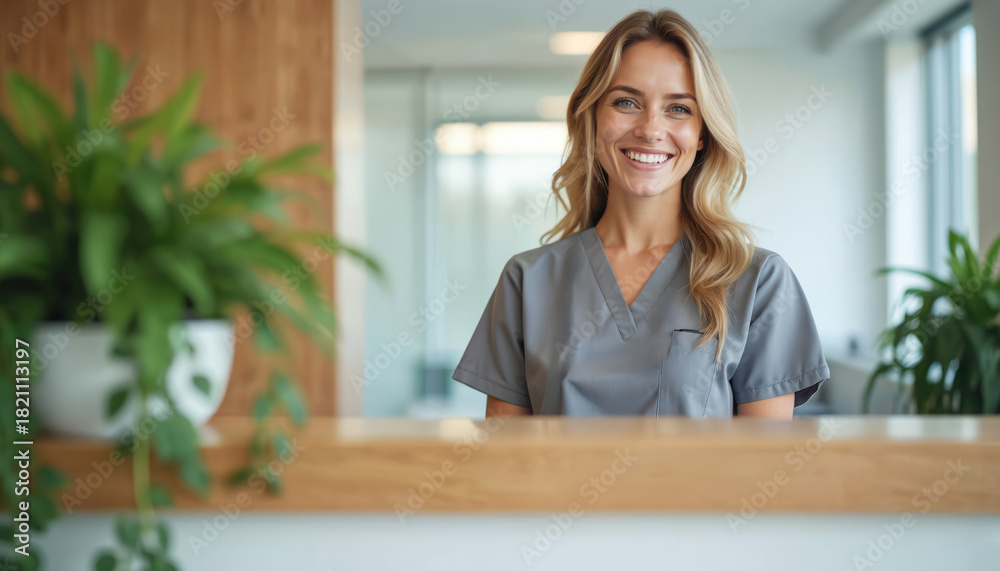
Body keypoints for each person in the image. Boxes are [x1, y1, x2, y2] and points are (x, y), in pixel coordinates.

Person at [452, 9, 830, 419]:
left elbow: (762, 470)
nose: (651, 129)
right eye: (626, 102)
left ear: (702, 133)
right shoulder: (527, 282)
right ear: (593, 117)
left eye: (679, 109)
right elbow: (507, 466)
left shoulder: (758, 283)